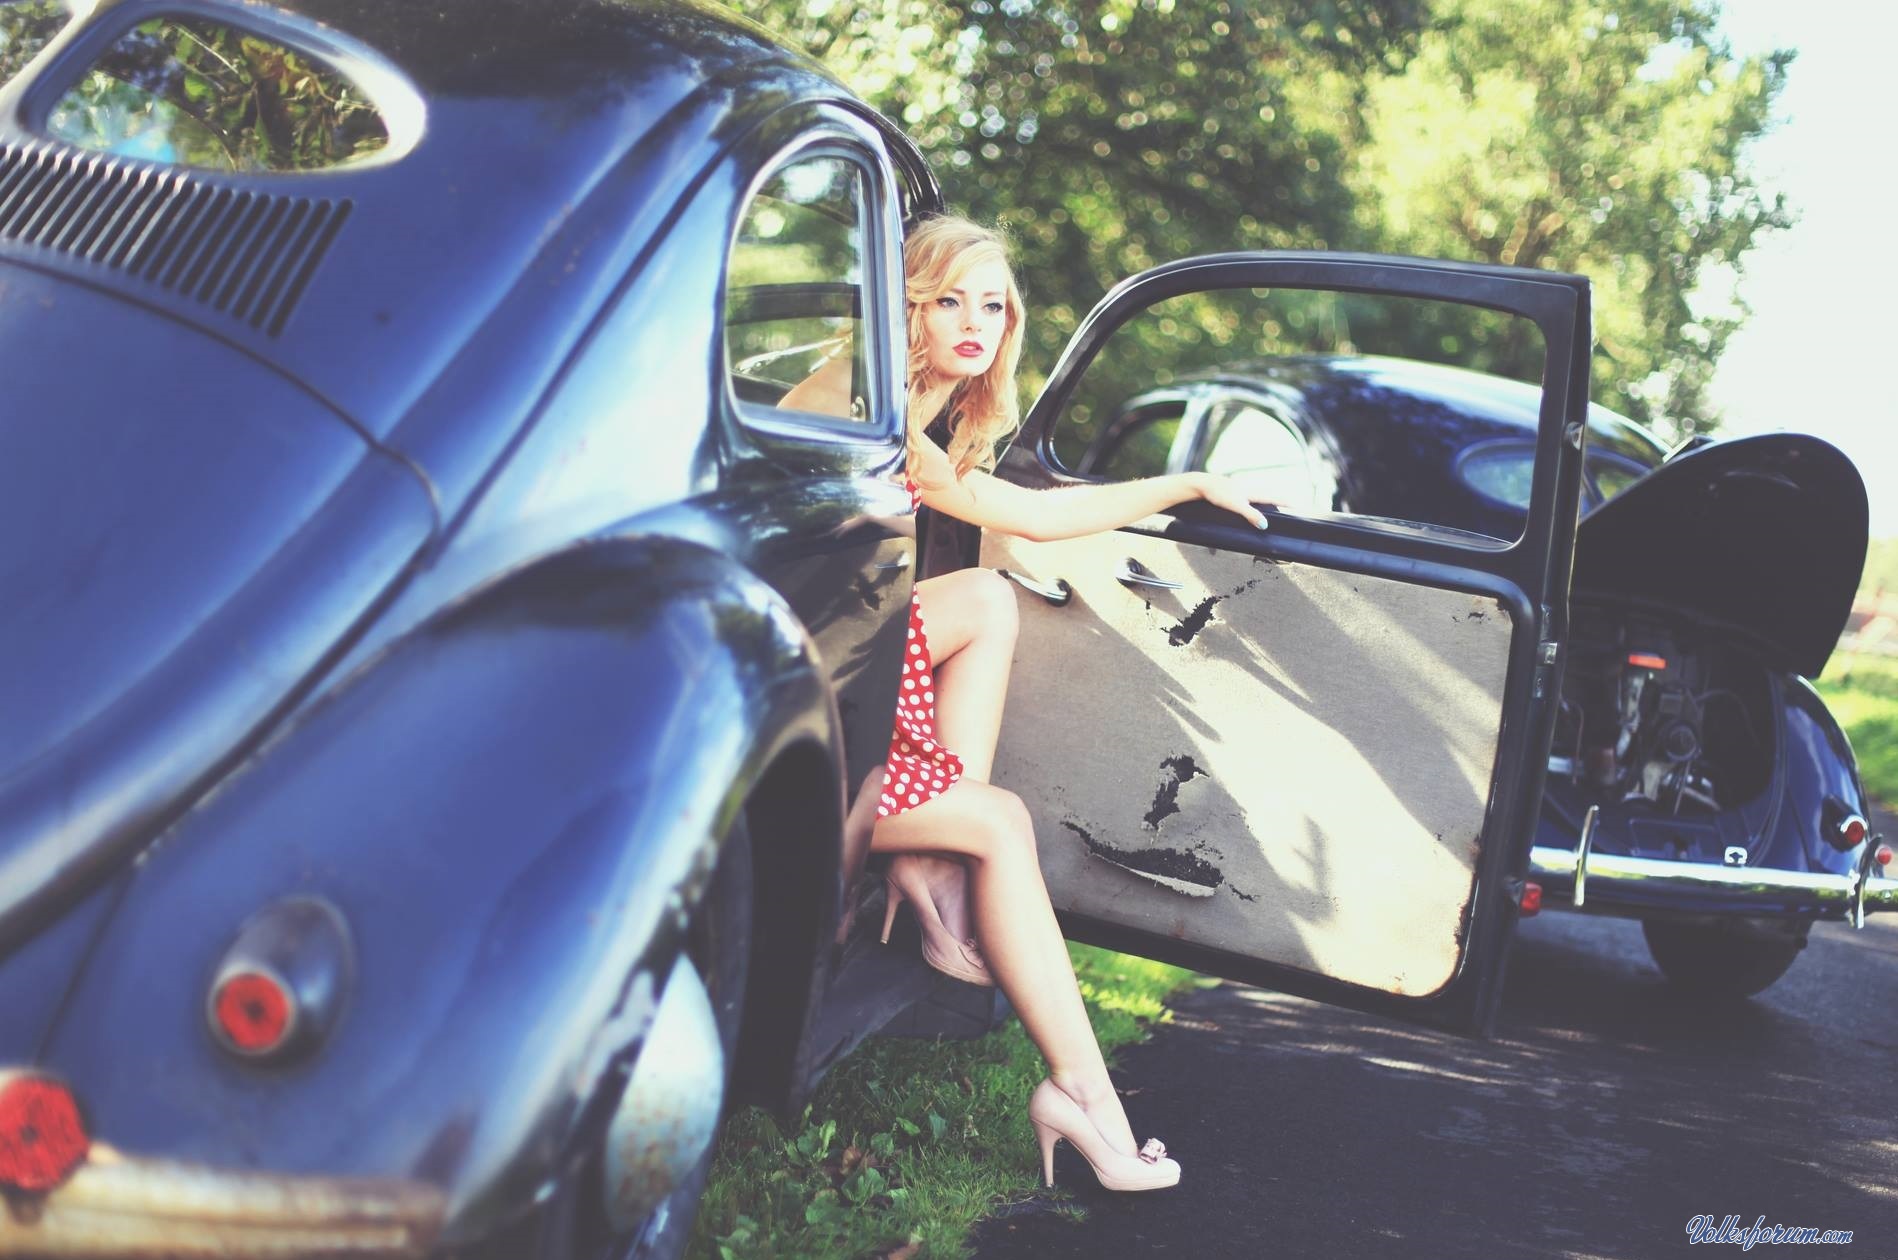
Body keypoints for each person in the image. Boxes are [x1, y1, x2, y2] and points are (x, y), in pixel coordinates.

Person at [814, 214, 1269, 1194]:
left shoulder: (916, 425)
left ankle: (934, 857)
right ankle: (1081, 1096)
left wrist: (1187, 482)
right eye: (948, 300)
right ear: (906, 307)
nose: (974, 322)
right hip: (790, 705)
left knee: (986, 597)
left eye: (993, 305)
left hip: (838, 670)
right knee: (1001, 819)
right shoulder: (854, 399)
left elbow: (1036, 516)